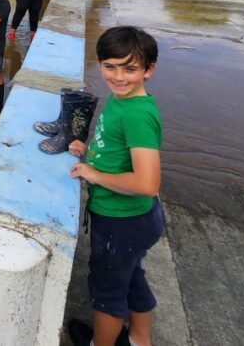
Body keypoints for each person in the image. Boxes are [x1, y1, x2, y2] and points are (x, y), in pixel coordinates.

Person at [66, 26, 165, 346]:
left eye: (130, 69)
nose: (119, 77)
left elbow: (147, 183)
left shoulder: (137, 114)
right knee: (131, 275)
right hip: (137, 221)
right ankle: (139, 340)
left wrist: (94, 175)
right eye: (110, 67)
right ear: (100, 64)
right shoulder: (124, 99)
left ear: (149, 70)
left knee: (108, 290)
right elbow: (116, 144)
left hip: (121, 221)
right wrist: (89, 150)